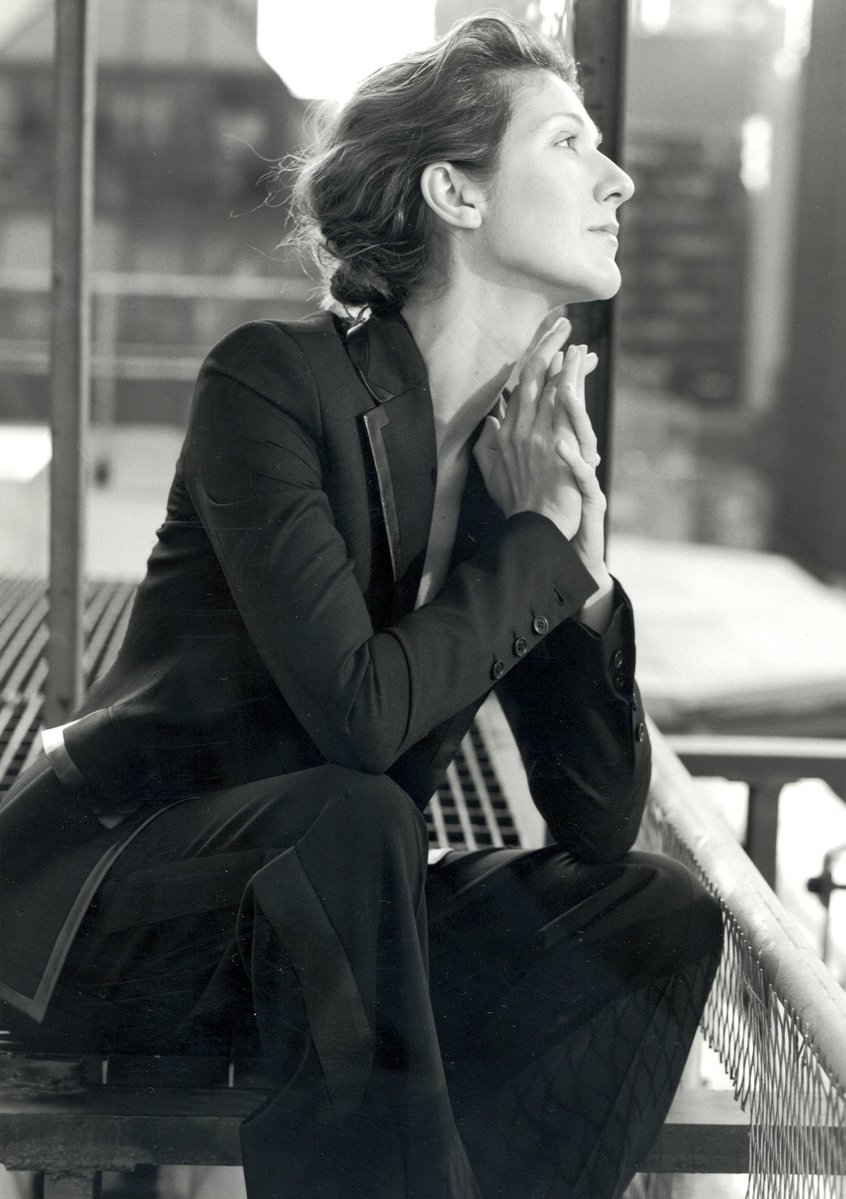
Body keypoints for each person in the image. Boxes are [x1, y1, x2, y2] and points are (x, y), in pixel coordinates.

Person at [0, 13, 722, 1199]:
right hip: (111, 920)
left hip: (327, 933)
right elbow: (361, 717)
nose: (618, 178)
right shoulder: (271, 384)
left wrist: (579, 572)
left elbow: (597, 820)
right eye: (567, 142)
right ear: (455, 191)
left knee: (654, 912)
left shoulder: (515, 464)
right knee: (352, 814)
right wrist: (535, 548)